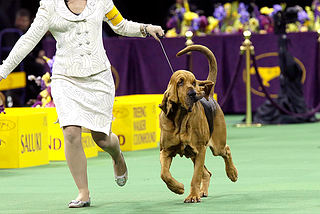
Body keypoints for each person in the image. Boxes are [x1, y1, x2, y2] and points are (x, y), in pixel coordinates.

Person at [0, 0, 164, 208]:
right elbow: (28, 40)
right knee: (70, 131)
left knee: (102, 140)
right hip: (65, 78)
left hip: (99, 78)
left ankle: (117, 155)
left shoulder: (101, 1)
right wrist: (2, 71)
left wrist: (146, 28)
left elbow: (120, 25)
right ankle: (83, 192)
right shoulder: (49, 6)